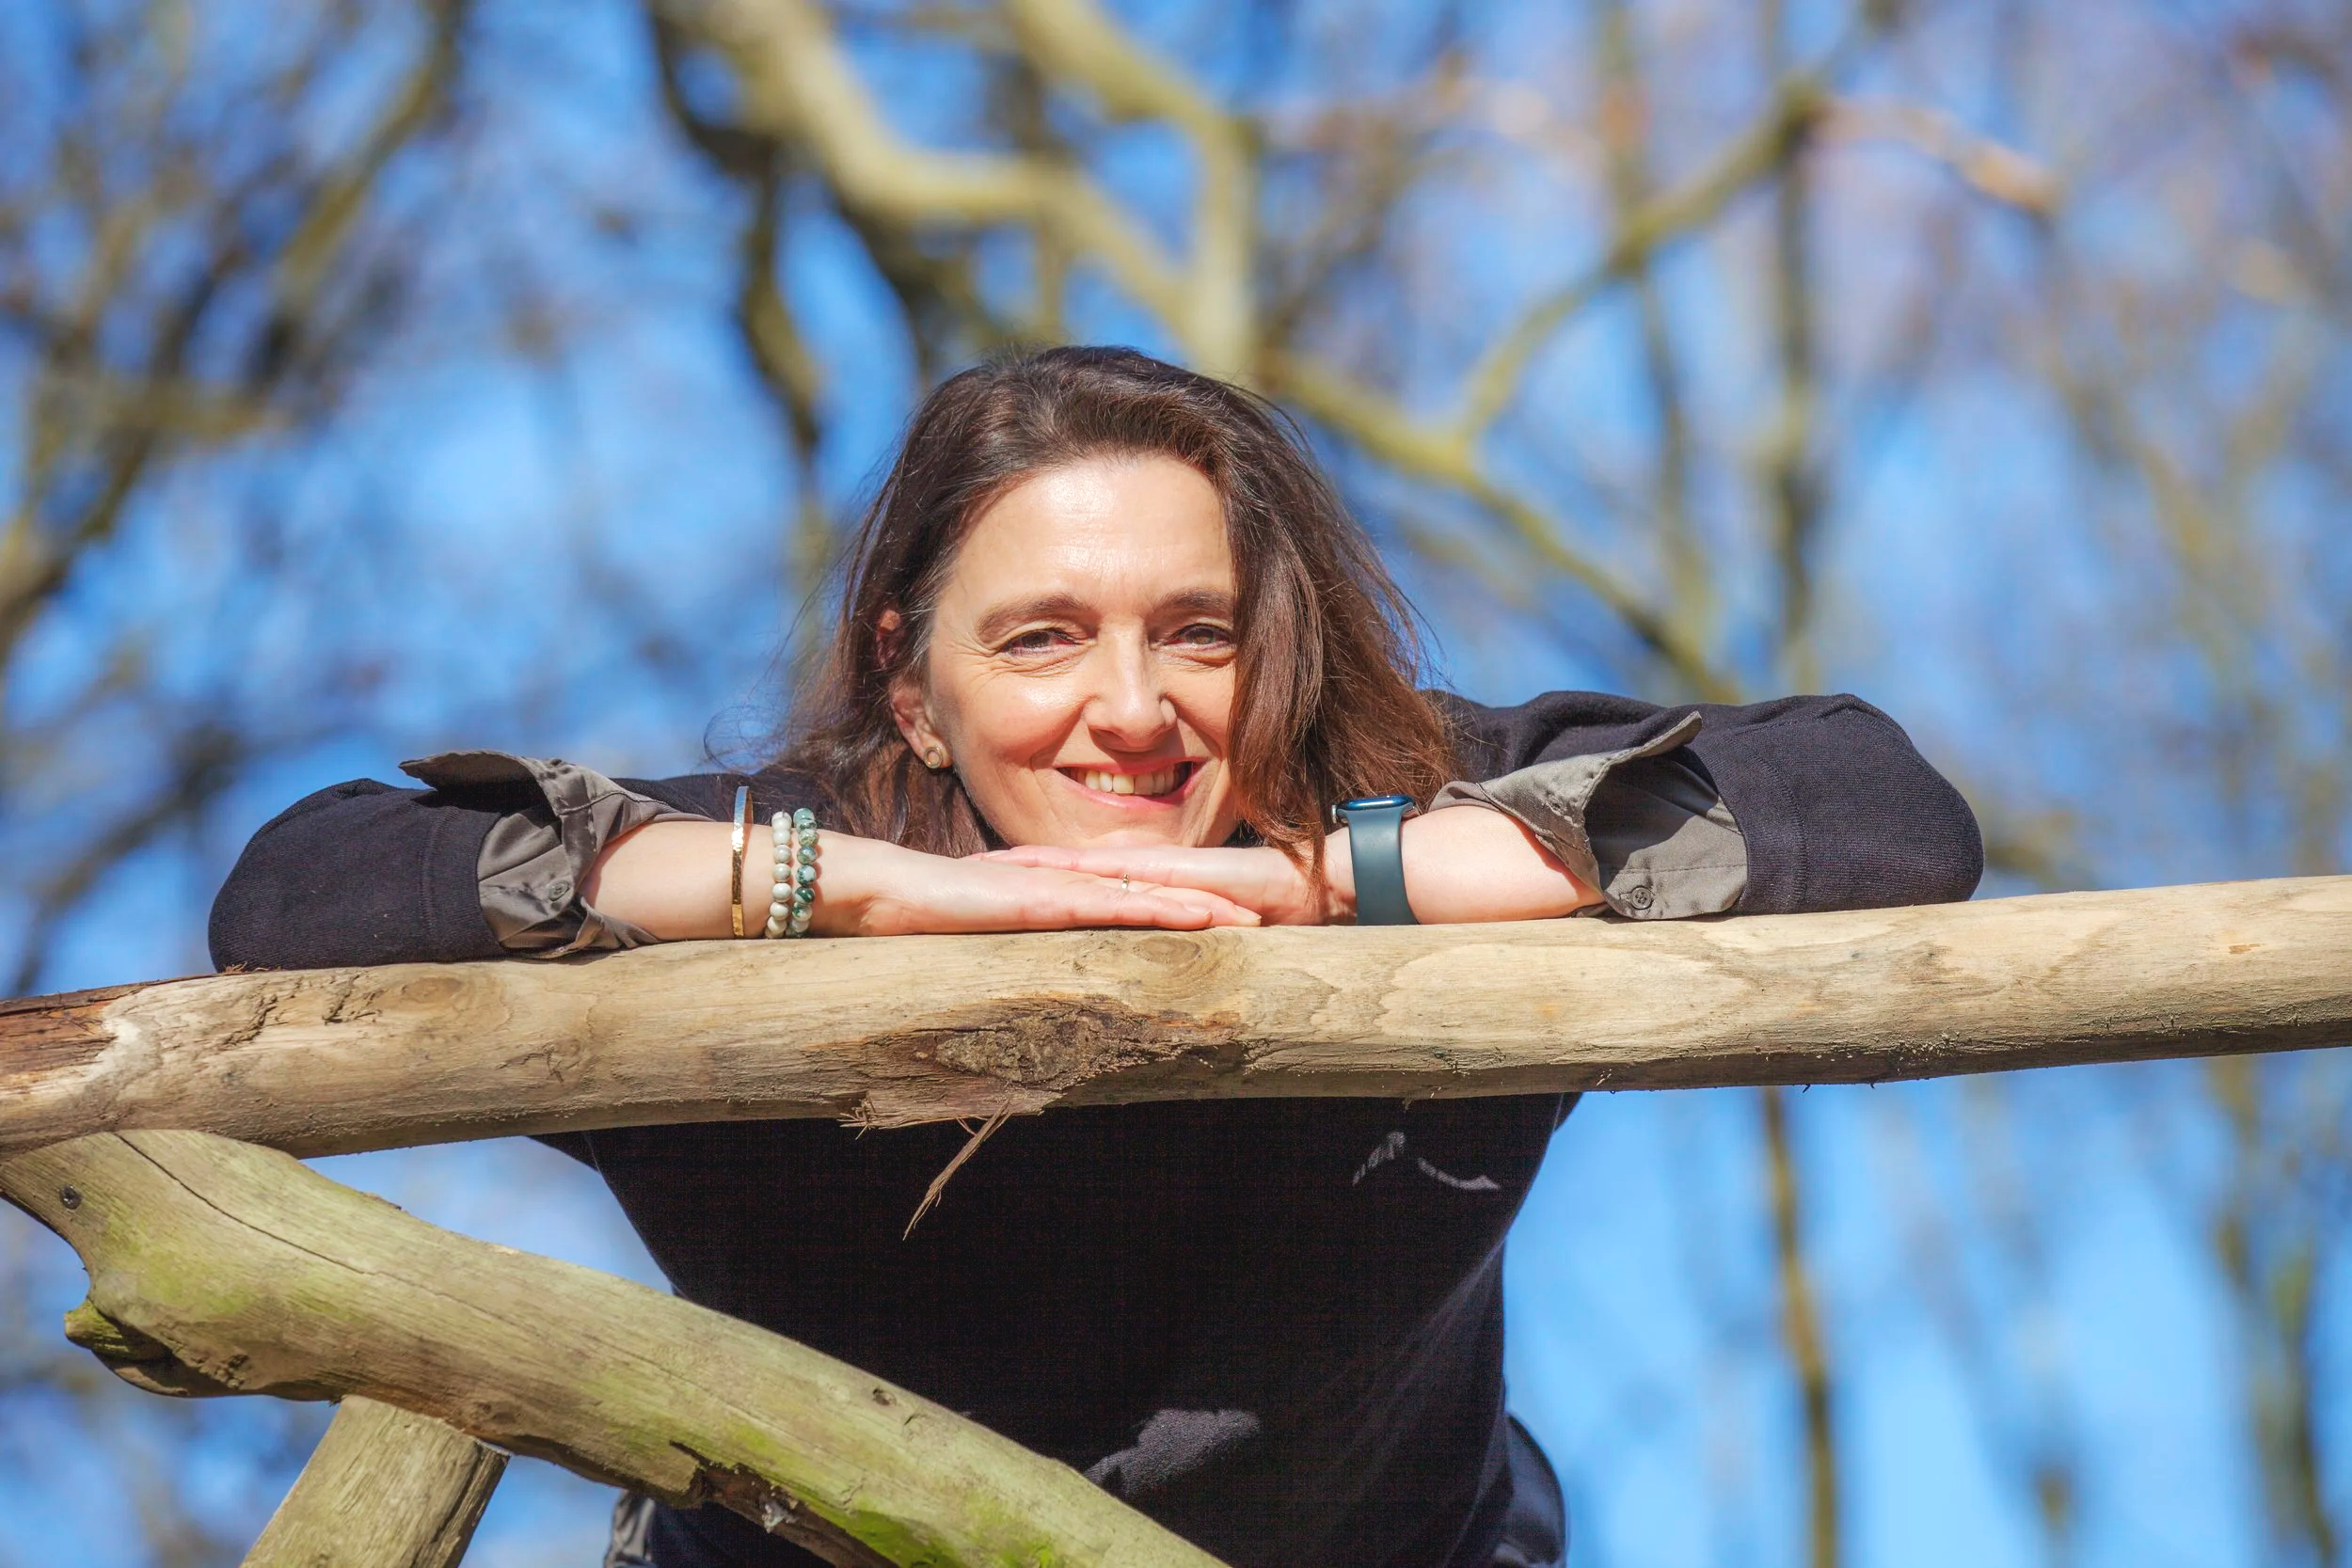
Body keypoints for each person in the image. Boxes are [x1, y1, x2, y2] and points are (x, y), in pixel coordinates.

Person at [209, 346, 1982, 1568]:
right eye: (1043, 637)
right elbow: (298, 895)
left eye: (1197, 632)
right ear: (913, 681)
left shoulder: (1416, 803)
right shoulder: (785, 854)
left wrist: (1352, 876)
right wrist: (851, 900)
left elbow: (1885, 811)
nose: (1129, 711)